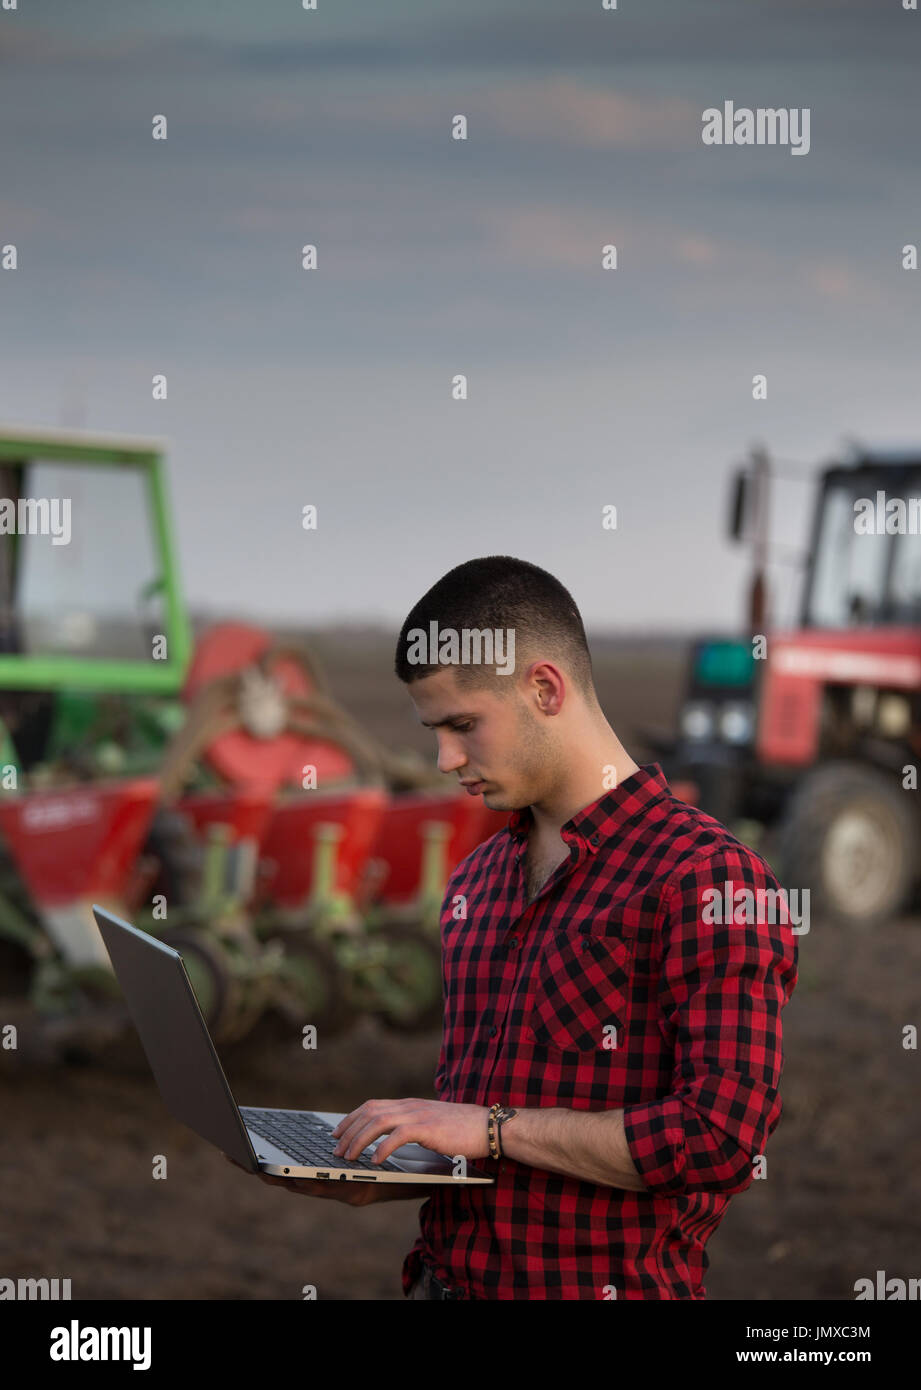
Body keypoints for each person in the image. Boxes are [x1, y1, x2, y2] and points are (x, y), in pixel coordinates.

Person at [237, 555, 798, 1300]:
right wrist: (394, 1167)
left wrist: (490, 1129)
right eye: (434, 730)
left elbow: (719, 1140)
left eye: (463, 725)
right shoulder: (476, 881)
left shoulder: (709, 881)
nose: (444, 759)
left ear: (544, 688)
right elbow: (484, 1133)